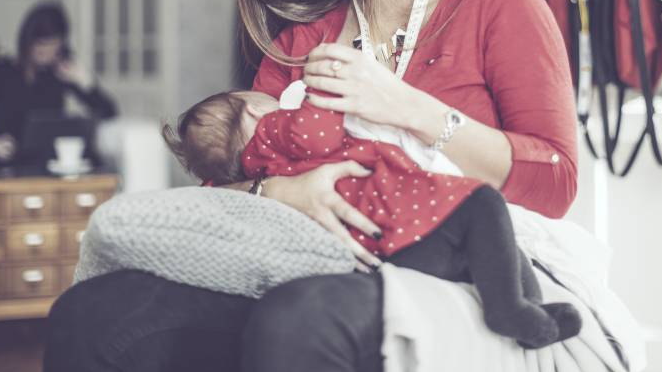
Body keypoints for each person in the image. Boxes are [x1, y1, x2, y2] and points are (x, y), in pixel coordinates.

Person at [43, 0, 577, 372]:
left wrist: (409, 108)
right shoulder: (303, 41)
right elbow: (221, 188)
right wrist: (279, 191)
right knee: (92, 314)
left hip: (452, 263)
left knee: (298, 317)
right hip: (314, 265)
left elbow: (556, 181)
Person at [162, 86, 582, 349]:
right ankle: (510, 309)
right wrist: (321, 92)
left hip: (387, 247)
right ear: (254, 114)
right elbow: (318, 131)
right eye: (261, 100)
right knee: (484, 205)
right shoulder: (277, 132)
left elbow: (213, 196)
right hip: (402, 218)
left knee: (490, 247)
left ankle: (530, 316)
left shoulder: (259, 170)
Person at [0, 2, 118, 172]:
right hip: (11, 169)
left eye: (53, 45)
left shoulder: (59, 73)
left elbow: (109, 112)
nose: (46, 51)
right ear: (27, 42)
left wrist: (86, 82)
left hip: (53, 168)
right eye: (40, 45)